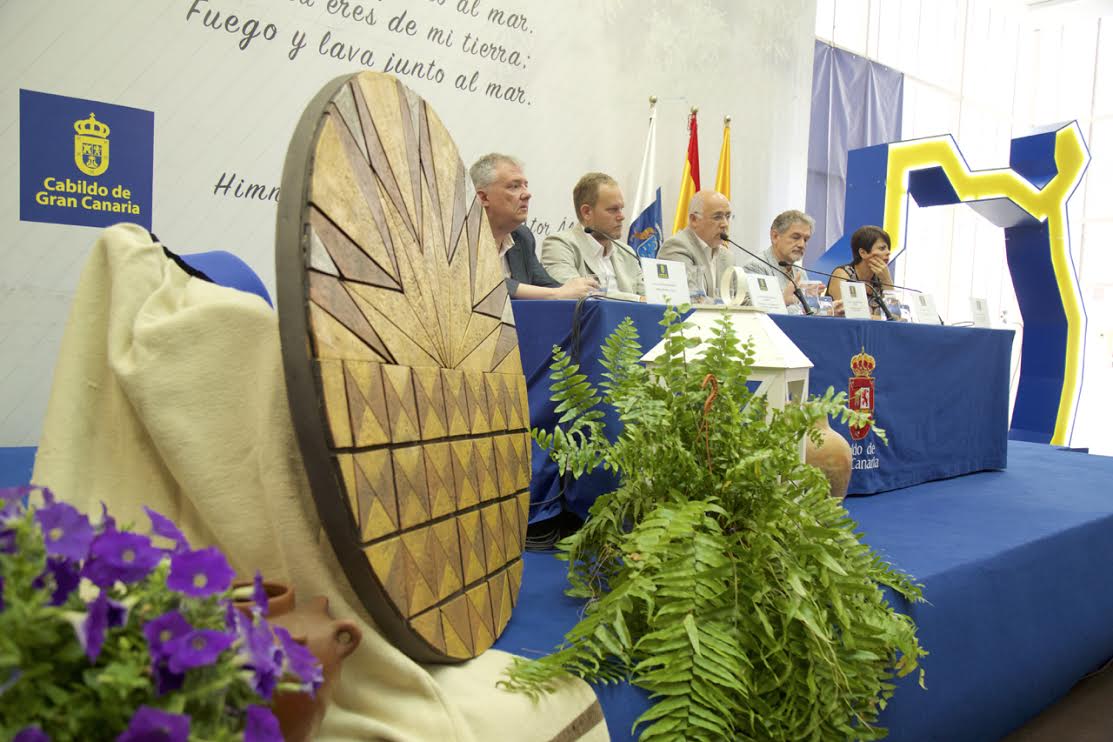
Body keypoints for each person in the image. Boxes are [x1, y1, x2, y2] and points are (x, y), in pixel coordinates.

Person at [469, 153, 597, 299]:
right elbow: (485, 283)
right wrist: (557, 293)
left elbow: (547, 286)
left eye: (525, 185)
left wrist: (580, 291)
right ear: (483, 198)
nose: (527, 194)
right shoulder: (461, 238)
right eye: (514, 186)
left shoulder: (522, 237)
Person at [540, 173, 644, 295]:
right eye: (613, 210)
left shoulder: (627, 253)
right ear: (587, 212)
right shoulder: (559, 245)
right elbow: (578, 295)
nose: (621, 216)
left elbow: (650, 299)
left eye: (621, 209)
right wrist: (637, 300)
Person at [657, 190, 734, 300]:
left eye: (728, 216)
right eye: (717, 217)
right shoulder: (676, 247)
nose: (725, 224)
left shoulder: (727, 256)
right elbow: (691, 299)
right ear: (694, 220)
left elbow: (739, 298)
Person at [742, 210, 814, 307]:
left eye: (806, 239)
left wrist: (824, 310)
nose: (802, 245)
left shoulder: (800, 272)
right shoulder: (756, 267)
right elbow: (749, 308)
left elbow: (806, 311)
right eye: (796, 237)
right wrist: (783, 301)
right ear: (775, 236)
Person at [825, 225, 894, 317]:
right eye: (882, 248)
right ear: (863, 253)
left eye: (888, 248)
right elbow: (850, 314)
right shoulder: (842, 274)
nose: (888, 252)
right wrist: (884, 319)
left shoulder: (881, 278)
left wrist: (887, 281)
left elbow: (895, 316)